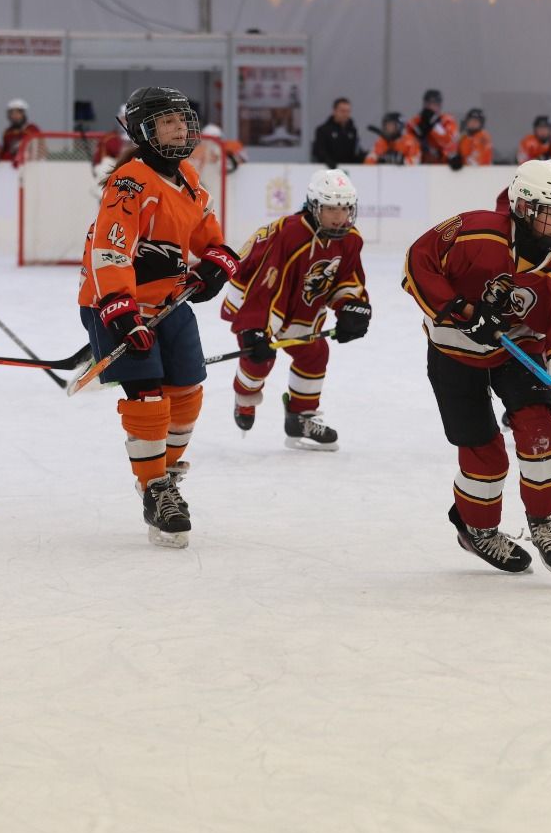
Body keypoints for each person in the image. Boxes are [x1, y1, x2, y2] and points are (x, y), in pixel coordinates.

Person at [401, 158, 551, 576]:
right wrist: (462, 311)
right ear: (523, 208)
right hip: (454, 351)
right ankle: (476, 528)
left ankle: (543, 520)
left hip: (516, 350)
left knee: (541, 432)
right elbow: (419, 260)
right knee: (484, 456)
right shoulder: (476, 232)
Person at [78, 86, 238, 548]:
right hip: (115, 304)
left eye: (182, 120)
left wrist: (216, 261)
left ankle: (163, 475)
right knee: (148, 396)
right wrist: (120, 309)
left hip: (168, 304)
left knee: (186, 392)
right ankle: (155, 490)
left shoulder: (187, 176)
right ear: (144, 131)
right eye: (168, 121)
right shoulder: (129, 182)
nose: (179, 129)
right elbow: (109, 248)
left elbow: (207, 234)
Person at [221, 168, 370, 451]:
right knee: (259, 357)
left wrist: (352, 306)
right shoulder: (289, 234)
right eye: (331, 209)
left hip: (298, 296)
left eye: (344, 209)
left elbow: (346, 278)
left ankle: (301, 418)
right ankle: (245, 398)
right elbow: (265, 283)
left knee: (314, 354)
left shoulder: (350, 239)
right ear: (314, 207)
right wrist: (255, 328)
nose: (339, 217)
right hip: (255, 294)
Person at [407, 89, 458, 166]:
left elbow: (448, 142)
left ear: (439, 106)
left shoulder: (447, 121)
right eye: (428, 104)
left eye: (434, 104)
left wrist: (434, 126)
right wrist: (418, 134)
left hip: (443, 165)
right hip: (421, 164)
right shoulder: (415, 121)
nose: (431, 107)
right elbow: (407, 140)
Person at [310, 97, 365, 167]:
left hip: (349, 168)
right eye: (342, 111)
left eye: (348, 111)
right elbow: (319, 151)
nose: (345, 114)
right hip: (329, 168)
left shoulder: (352, 130)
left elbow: (355, 151)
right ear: (334, 111)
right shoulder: (323, 130)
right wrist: (328, 162)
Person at [0, 98, 39, 163]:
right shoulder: (7, 132)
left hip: (30, 165)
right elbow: (4, 151)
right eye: (12, 113)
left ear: (23, 114)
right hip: (10, 166)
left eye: (18, 113)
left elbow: (38, 150)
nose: (15, 116)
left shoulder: (32, 129)